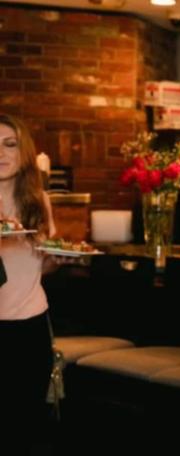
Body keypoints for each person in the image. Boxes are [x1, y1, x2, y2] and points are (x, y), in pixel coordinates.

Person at [0, 114, 58, 456]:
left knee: (25, 429)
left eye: (10, 144)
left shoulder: (39, 201)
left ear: (24, 151)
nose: (1, 154)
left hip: (30, 325)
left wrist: (58, 259)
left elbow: (42, 265)